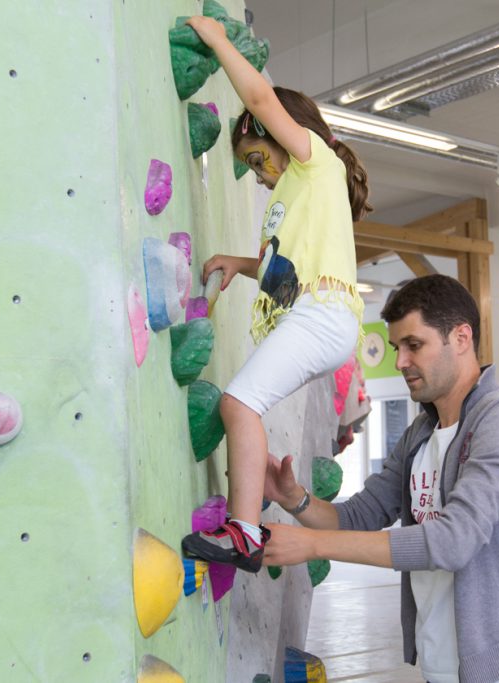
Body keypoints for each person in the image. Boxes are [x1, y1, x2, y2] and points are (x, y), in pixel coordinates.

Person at [263, 275, 499, 683]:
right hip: (443, 668)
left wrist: (312, 545)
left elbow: (455, 541)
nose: (400, 361)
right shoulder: (420, 433)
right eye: (396, 348)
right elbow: (360, 515)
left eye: (413, 345)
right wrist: (293, 497)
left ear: (461, 337)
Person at [180, 15, 370, 573]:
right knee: (245, 403)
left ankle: (244, 533)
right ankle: (244, 526)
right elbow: (281, 273)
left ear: (285, 134)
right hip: (312, 315)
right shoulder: (294, 198)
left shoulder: (316, 164)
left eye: (257, 160)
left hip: (323, 316)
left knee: (240, 403)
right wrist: (239, 265)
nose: (258, 175)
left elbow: (261, 98)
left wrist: (217, 40)